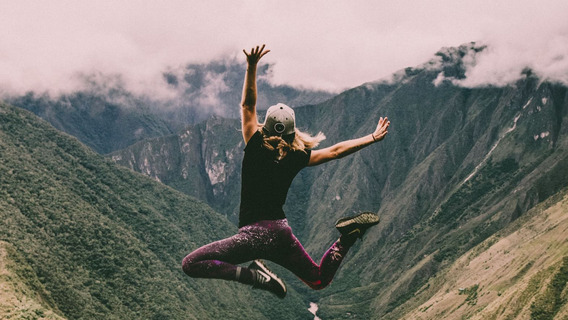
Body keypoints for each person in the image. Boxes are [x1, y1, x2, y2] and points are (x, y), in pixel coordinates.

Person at [182, 44, 390, 298]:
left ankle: (255, 276)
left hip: (252, 237)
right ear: (293, 132)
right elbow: (335, 151)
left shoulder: (255, 144)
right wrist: (370, 137)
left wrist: (251, 66)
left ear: (265, 126)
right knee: (318, 280)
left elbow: (248, 106)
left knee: (191, 264)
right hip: (281, 233)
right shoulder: (297, 156)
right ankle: (346, 238)